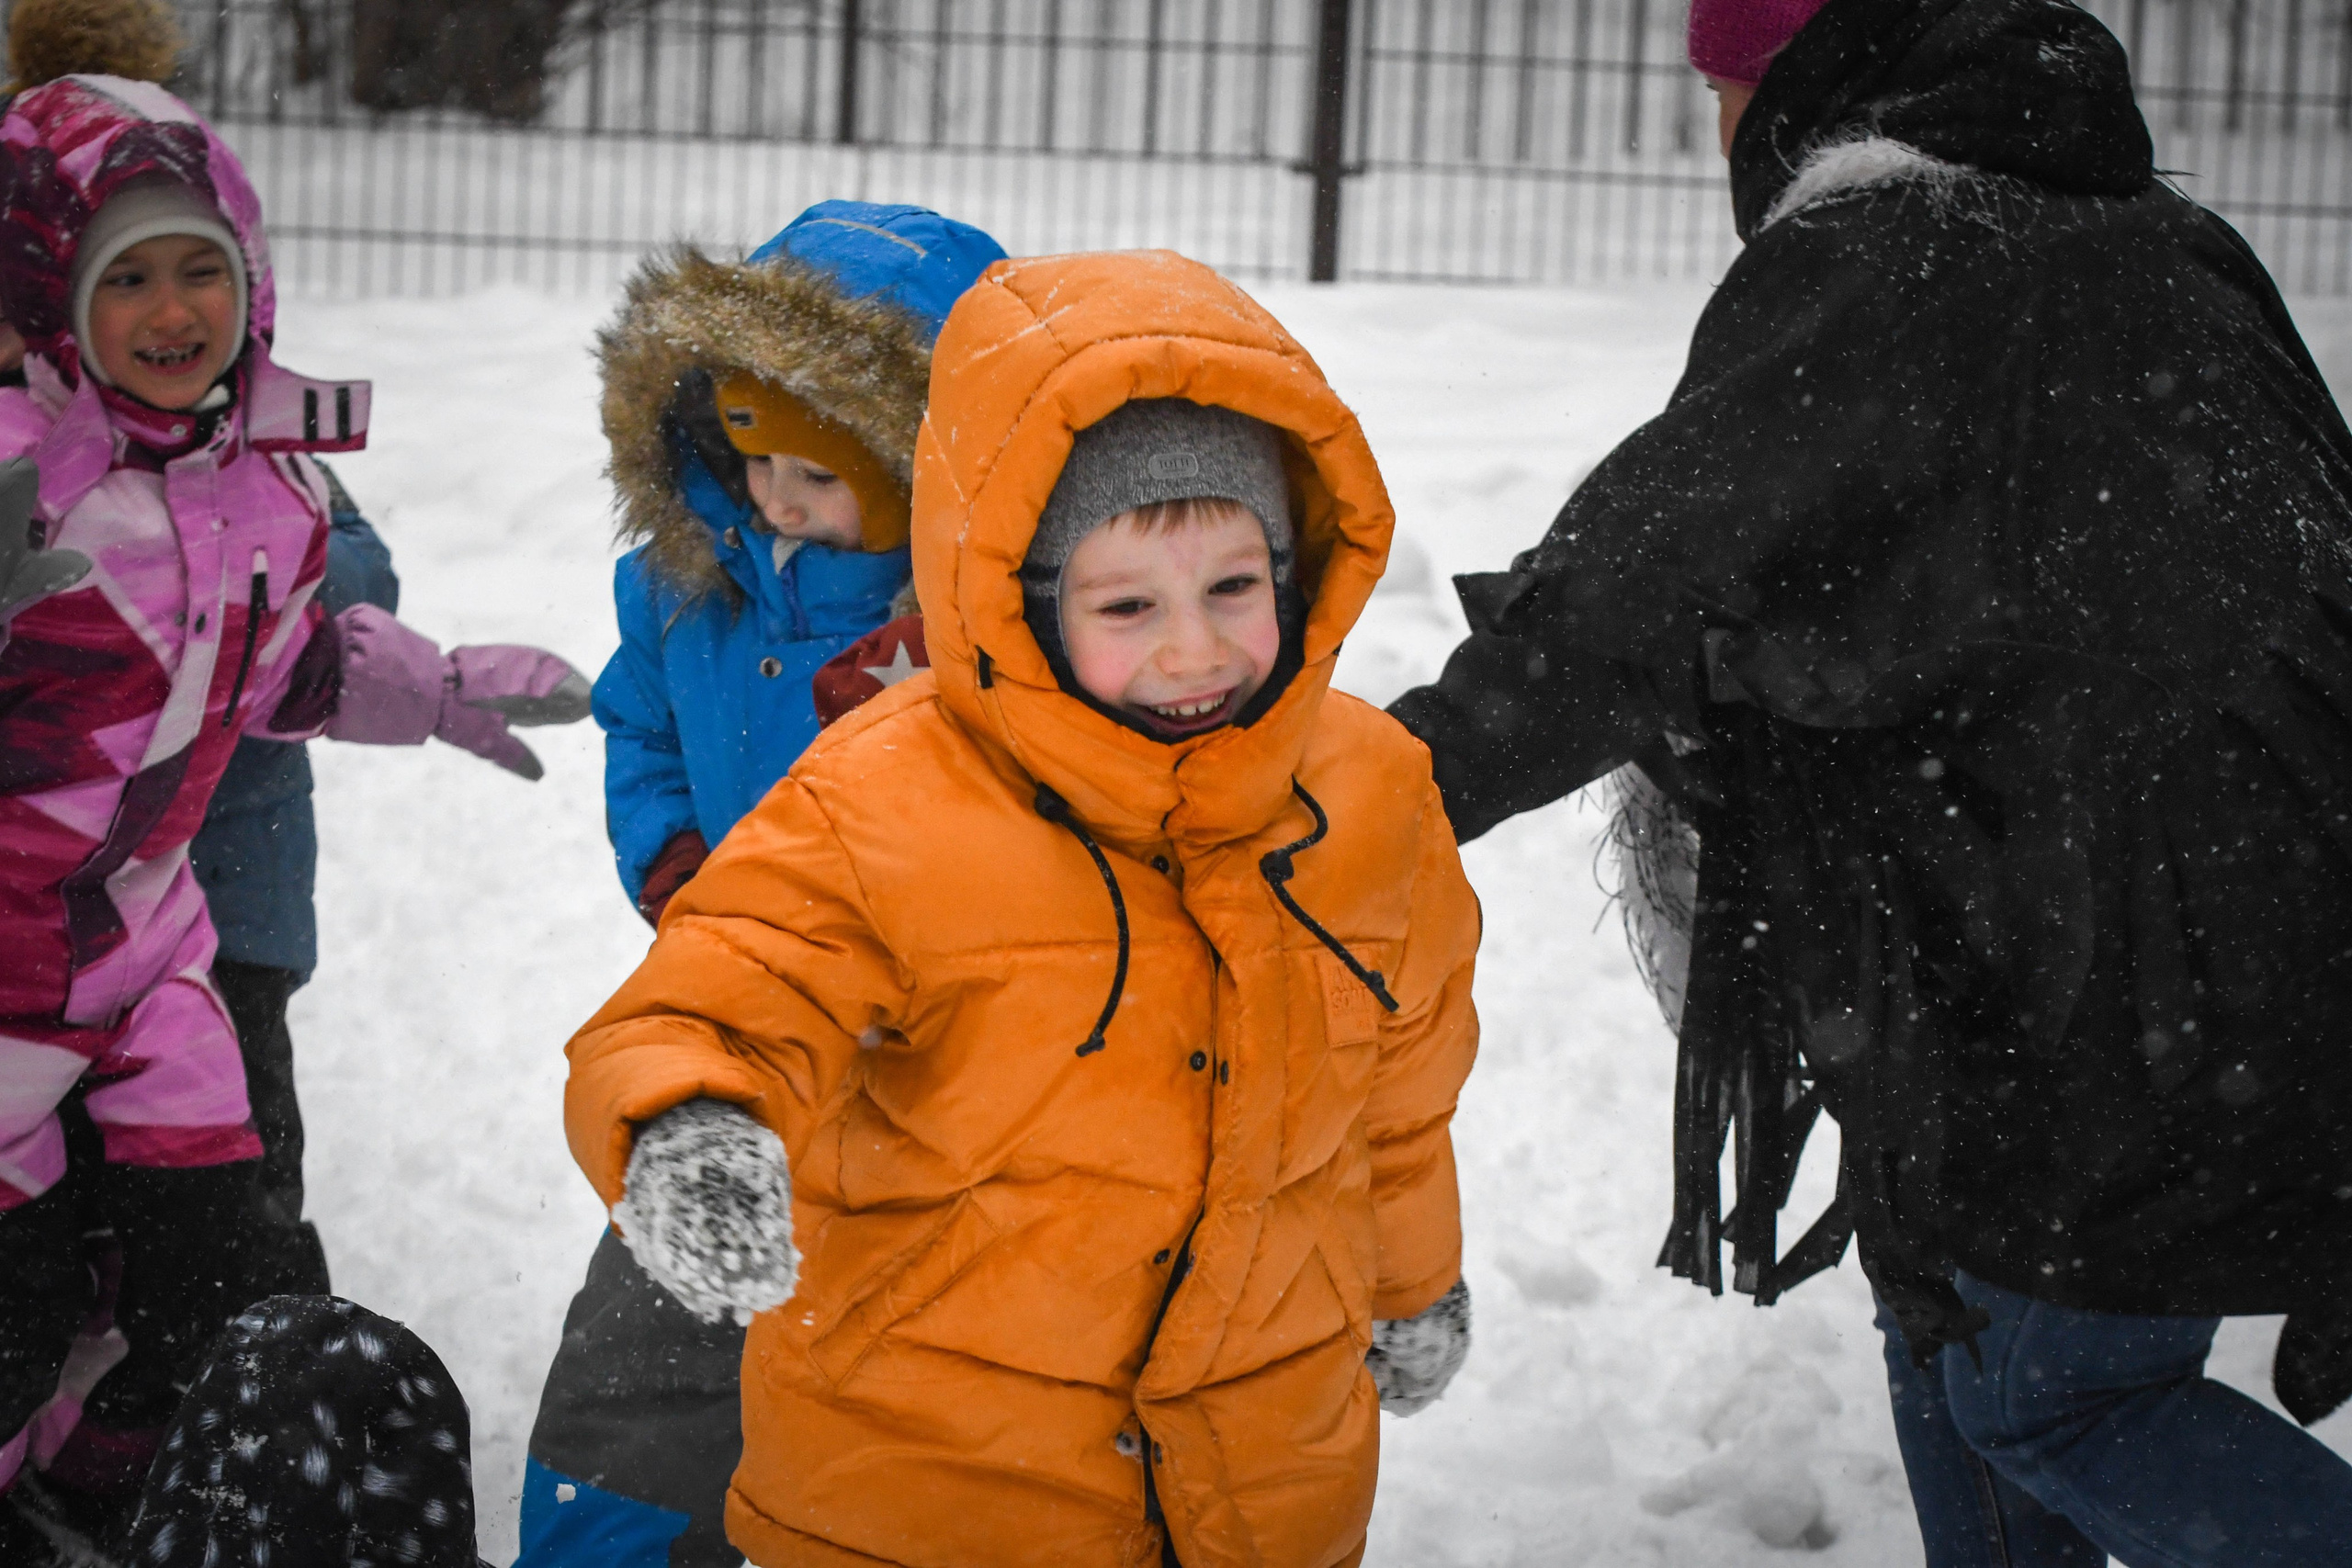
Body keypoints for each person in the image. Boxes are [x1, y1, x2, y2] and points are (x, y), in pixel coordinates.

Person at [1387, 0, 2352, 1562]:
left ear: (1776, 80)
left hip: (2145, 945)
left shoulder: (1885, 253)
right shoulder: (2171, 241)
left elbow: (1641, 585)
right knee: (1957, 1309)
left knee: (2061, 1397)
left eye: (1714, 90)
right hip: (2238, 897)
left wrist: (1392, 778)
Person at [561, 250, 1480, 1568]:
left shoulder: (1371, 797)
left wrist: (1410, 1278)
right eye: (1127, 605)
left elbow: (1399, 1093)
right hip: (933, 1478)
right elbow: (734, 979)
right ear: (1017, 599)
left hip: (1263, 1474)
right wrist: (691, 1123)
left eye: (1236, 587)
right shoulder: (888, 798)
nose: (1194, 649)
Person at [0, 69, 590, 1549]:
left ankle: (157, 1484)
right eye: (123, 276)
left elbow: (285, 664)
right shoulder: (19, 482)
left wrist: (436, 689)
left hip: (147, 966)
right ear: (46, 295)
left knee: (223, 1265)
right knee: (15, 1300)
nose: (170, 307)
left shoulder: (268, 490)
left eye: (200, 265)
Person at [517, 201, 1005, 1568]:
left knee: (894, 1373)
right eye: (753, 457)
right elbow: (644, 722)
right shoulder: (690, 588)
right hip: (738, 1027)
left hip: (933, 1073)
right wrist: (674, 858)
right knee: (663, 1329)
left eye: (821, 473)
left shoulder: (980, 633)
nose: (779, 501)